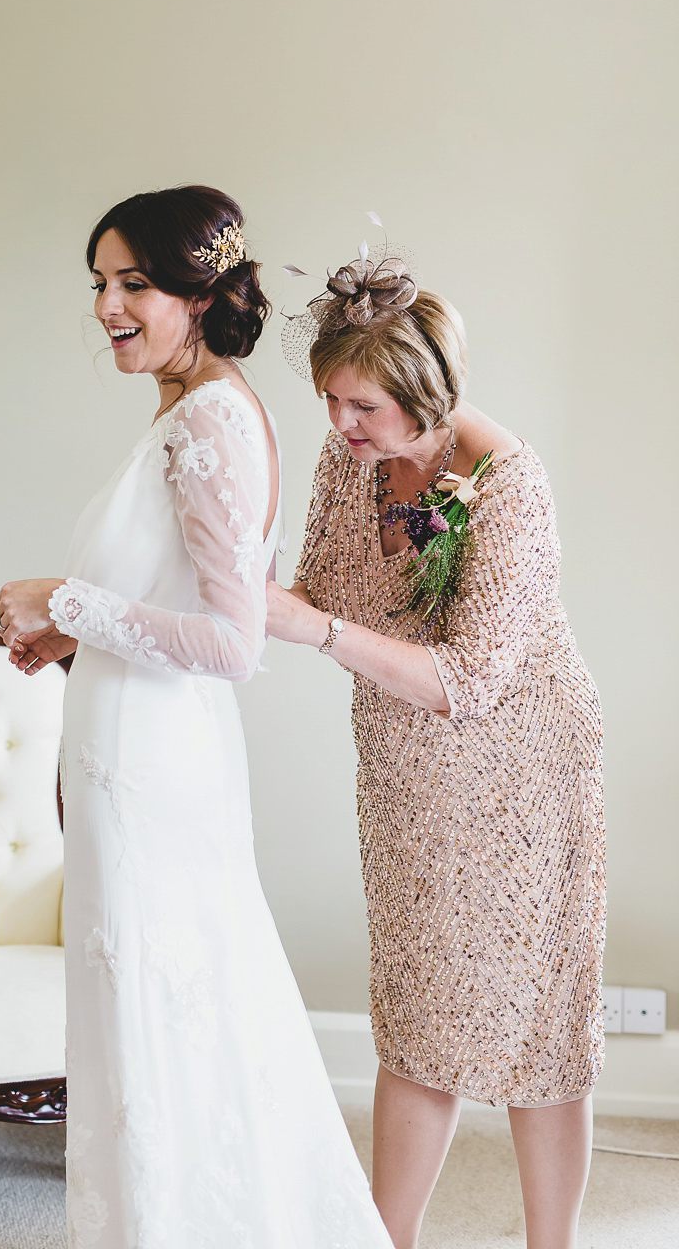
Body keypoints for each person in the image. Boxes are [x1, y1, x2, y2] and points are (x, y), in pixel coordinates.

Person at [0, 187, 391, 1249]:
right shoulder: (193, 406)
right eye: (99, 284)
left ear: (199, 293)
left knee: (159, 1014)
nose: (104, 306)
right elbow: (179, 599)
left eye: (131, 284)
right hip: (138, 752)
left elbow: (232, 644)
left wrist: (62, 600)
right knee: (161, 1015)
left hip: (155, 766)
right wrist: (72, 636)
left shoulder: (211, 417)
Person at [267, 245, 604, 1249]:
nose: (339, 425)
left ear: (432, 397)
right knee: (417, 1008)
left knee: (537, 1022)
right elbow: (315, 585)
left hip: (527, 771)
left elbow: (469, 681)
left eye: (362, 406)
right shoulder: (349, 462)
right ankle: (388, 1238)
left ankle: (555, 1245)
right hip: (408, 774)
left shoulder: (509, 486)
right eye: (331, 399)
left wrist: (312, 632)